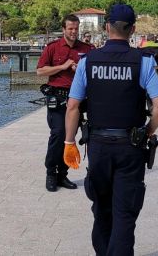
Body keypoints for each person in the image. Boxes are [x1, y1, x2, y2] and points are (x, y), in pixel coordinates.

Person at [63, 3, 158, 255]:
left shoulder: (88, 61)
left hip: (98, 146)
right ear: (133, 29)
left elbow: (73, 106)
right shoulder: (142, 63)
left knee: (101, 209)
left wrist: (69, 142)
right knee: (124, 214)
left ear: (107, 27)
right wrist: (147, 131)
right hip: (130, 147)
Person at [36, 14, 92, 192]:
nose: (74, 31)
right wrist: (63, 67)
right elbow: (40, 71)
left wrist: (81, 69)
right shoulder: (52, 48)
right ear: (63, 29)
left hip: (77, 99)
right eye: (70, 28)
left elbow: (93, 72)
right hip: (58, 98)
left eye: (76, 28)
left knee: (71, 136)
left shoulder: (87, 49)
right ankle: (51, 173)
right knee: (58, 134)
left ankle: (63, 174)